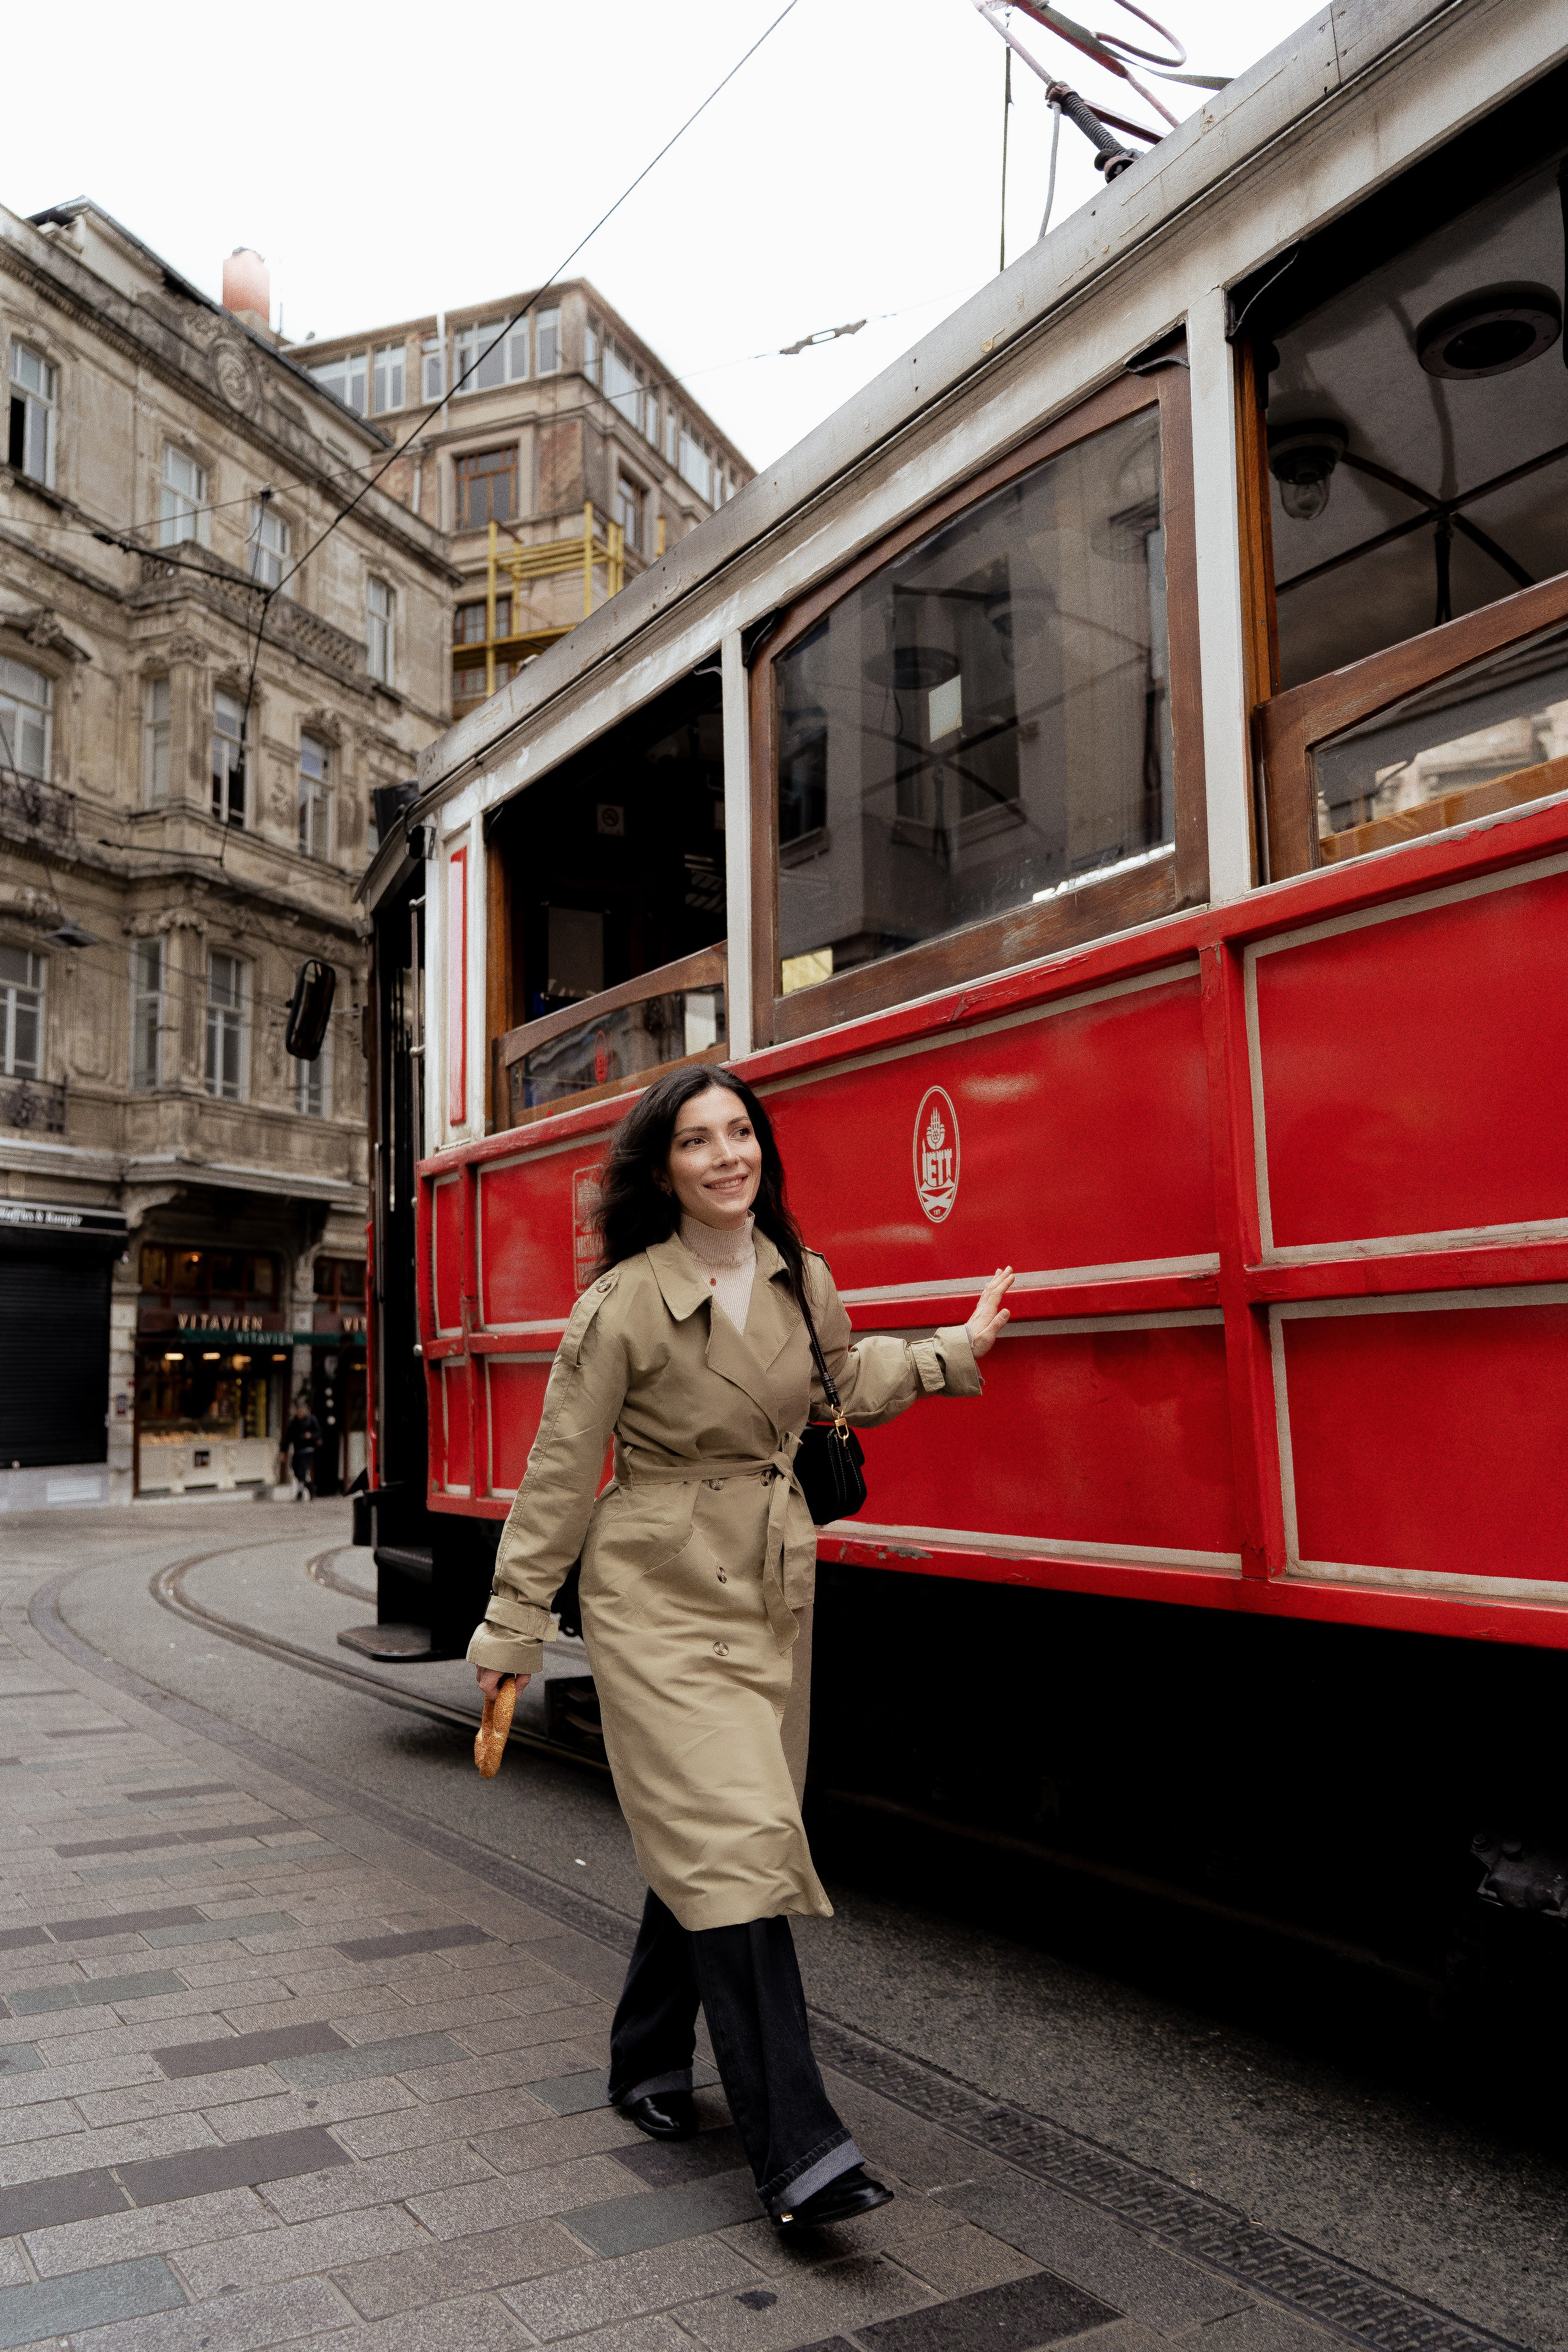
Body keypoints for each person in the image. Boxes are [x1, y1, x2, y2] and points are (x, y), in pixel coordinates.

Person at [469, 1067, 1013, 2230]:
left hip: (770, 1585)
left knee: (728, 1828)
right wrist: (512, 1627)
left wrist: (952, 1349)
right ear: (660, 1169)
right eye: (697, 1140)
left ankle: (647, 2056)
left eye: (740, 1134)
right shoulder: (620, 1304)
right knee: (738, 1836)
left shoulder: (795, 1275)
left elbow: (843, 1383)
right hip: (656, 1591)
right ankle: (800, 2152)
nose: (727, 1156)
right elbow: (562, 1471)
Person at [280, 1400, 322, 1501]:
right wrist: (283, 1451)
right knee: (296, 1470)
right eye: (298, 1410)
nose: (300, 1412)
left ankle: (299, 1494)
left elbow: (319, 1433)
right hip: (297, 1450)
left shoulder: (311, 1420)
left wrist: (311, 1435)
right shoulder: (294, 1422)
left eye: (302, 1410)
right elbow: (288, 1438)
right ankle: (311, 1487)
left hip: (308, 1450)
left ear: (305, 1410)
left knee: (302, 1471)